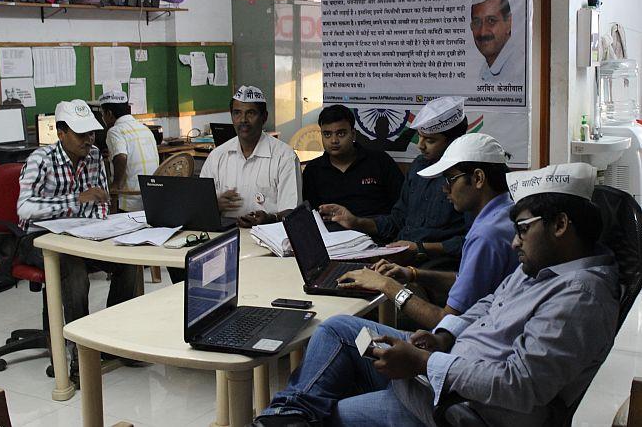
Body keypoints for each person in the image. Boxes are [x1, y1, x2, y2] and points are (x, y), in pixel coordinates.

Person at [251, 162, 619, 427]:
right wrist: (444, 336)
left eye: (523, 230)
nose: (514, 242)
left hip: (459, 407)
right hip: (445, 365)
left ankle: (288, 414)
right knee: (337, 331)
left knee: (327, 413)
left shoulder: (580, 298)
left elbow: (517, 385)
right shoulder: (543, 267)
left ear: (560, 225)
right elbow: (490, 304)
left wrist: (423, 363)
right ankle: (285, 415)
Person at [337, 133, 517, 329]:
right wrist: (412, 274)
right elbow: (466, 280)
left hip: (466, 342)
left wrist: (386, 285)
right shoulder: (504, 214)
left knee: (338, 325)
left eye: (450, 180)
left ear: (478, 178)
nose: (445, 189)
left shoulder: (487, 235)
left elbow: (445, 322)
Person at [16, 99, 137, 382]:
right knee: (73, 269)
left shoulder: (94, 155)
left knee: (127, 262)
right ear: (61, 133)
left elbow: (100, 200)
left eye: (91, 133)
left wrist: (101, 223)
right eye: (81, 134)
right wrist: (75, 199)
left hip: (83, 232)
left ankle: (112, 340)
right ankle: (79, 354)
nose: (89, 140)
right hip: (37, 238)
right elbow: (24, 209)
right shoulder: (39, 160)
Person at [321, 96, 470, 263]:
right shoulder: (419, 166)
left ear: (454, 141)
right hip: (399, 252)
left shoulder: (467, 178)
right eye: (419, 137)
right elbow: (397, 221)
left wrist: (419, 248)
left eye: (430, 140)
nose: (420, 145)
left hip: (436, 263)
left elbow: (471, 242)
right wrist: (356, 221)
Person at [200, 85, 301, 228]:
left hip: (270, 237)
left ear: (264, 117)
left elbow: (293, 213)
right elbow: (198, 208)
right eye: (237, 113)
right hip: (227, 235)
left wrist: (271, 218)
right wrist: (215, 205)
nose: (243, 120)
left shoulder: (284, 156)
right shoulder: (217, 155)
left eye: (251, 113)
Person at [302, 105, 404, 223]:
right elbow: (310, 215)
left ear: (353, 134)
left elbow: (402, 206)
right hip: (332, 235)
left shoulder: (380, 161)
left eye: (341, 134)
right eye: (327, 134)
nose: (334, 140)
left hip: (375, 232)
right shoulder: (313, 170)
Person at [99, 90, 159, 212]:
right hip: (151, 198)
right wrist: (112, 155)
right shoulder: (144, 129)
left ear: (109, 114)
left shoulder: (115, 131)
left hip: (130, 202)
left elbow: (121, 156)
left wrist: (115, 186)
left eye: (102, 114)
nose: (102, 118)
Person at [470, 0, 524, 84]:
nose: (482, 32)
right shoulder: (486, 68)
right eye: (477, 22)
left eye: (491, 21)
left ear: (509, 23)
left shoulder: (518, 69)